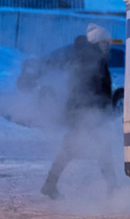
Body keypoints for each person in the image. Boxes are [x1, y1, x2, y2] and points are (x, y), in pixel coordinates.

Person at [40, 32, 119, 199]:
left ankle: (50, 183)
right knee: (98, 149)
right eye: (105, 43)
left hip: (86, 113)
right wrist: (97, 110)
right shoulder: (93, 61)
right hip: (86, 113)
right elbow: (91, 89)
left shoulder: (89, 60)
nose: (108, 46)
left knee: (81, 149)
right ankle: (113, 187)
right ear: (97, 43)